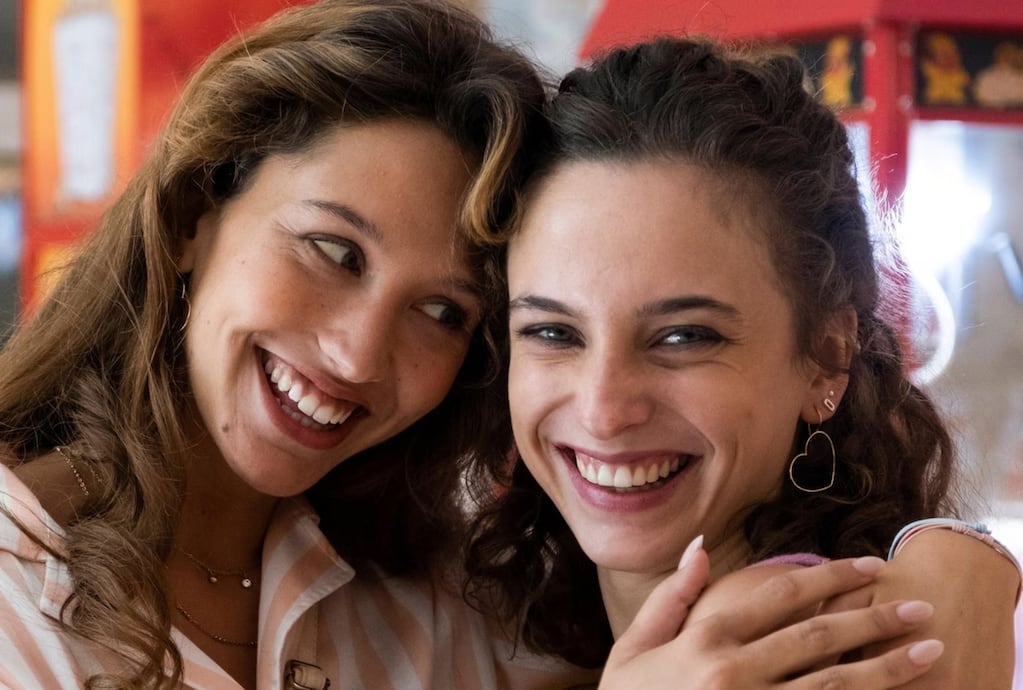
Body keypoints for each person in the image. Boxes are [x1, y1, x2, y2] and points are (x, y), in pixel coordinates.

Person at [0, 1, 599, 688]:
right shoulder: (15, 590)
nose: (358, 357)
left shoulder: (440, 607)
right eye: (335, 252)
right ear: (192, 214)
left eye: (441, 312)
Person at [465, 35, 1021, 688]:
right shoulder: (496, 621)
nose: (603, 411)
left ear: (825, 357)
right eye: (554, 332)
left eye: (683, 337)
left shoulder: (850, 661)